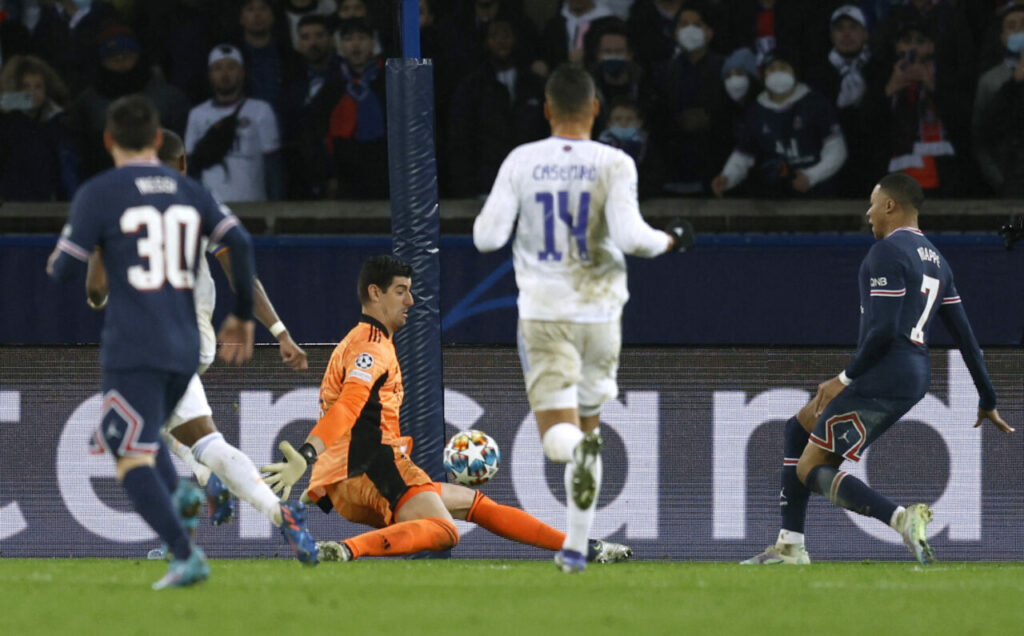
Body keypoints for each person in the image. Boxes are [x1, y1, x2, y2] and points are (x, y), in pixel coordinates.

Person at [260, 255, 633, 565]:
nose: (410, 301)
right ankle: (345, 550)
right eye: (401, 291)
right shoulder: (370, 347)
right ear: (375, 293)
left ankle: (580, 547)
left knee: (474, 504)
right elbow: (348, 407)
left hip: (349, 478)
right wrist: (307, 454)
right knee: (444, 531)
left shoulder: (357, 342)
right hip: (372, 466)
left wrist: (320, 479)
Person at [472, 64, 691, 573]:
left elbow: (486, 238)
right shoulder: (614, 162)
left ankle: (576, 477)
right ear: (595, 108)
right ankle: (575, 546)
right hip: (602, 315)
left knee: (560, 442)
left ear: (547, 110)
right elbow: (634, 239)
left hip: (546, 314)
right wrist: (674, 239)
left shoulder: (523, 160)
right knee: (589, 430)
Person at [741, 173, 1014, 566]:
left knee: (810, 467)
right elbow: (967, 340)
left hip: (884, 371)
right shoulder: (939, 262)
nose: (868, 213)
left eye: (872, 203)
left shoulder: (886, 253)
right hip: (913, 374)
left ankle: (900, 518)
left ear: (890, 205)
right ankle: (789, 546)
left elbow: (884, 330)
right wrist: (987, 397)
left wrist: (844, 378)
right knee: (797, 429)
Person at [45, 95, 255, 589]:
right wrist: (243, 316)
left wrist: (72, 252)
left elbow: (65, 271)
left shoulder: (101, 193)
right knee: (145, 428)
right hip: (186, 345)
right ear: (158, 139)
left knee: (127, 448)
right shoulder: (190, 191)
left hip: (136, 341)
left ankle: (185, 551)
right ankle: (183, 491)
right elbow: (241, 242)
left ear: (108, 140)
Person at [84, 129, 315, 562]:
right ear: (183, 164)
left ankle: (236, 502)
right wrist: (280, 331)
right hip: (192, 340)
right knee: (164, 430)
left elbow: (96, 294)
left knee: (151, 435)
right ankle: (218, 491)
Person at [711, 48, 847, 198]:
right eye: (772, 69)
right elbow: (743, 155)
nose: (777, 73)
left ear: (794, 72)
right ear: (763, 74)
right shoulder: (756, 111)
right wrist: (727, 177)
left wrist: (811, 176)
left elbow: (836, 150)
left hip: (819, 196)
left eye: (783, 68)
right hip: (774, 200)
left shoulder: (816, 104)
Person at [447, 18, 548, 198]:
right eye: (495, 36)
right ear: (486, 42)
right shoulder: (472, 86)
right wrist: (467, 186)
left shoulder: (534, 84)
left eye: (506, 35)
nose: (501, 41)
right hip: (486, 187)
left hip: (531, 185)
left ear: (516, 39)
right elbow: (461, 138)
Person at [185, 44, 283, 202]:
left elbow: (273, 167)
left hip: (255, 206)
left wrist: (276, 206)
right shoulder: (197, 114)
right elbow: (190, 167)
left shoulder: (261, 110)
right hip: (212, 207)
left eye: (231, 67)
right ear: (210, 74)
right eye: (218, 68)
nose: (225, 74)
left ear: (242, 72)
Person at [0, 54, 79, 201]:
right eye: (26, 86)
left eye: (38, 86)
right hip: (11, 203)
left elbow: (68, 168)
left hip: (51, 202)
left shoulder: (59, 122)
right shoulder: (6, 124)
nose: (32, 92)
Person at [973, 6, 1024, 198]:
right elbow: (980, 139)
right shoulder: (990, 81)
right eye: (1012, 26)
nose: (1019, 31)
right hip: (1010, 181)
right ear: (1002, 37)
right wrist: (1000, 181)